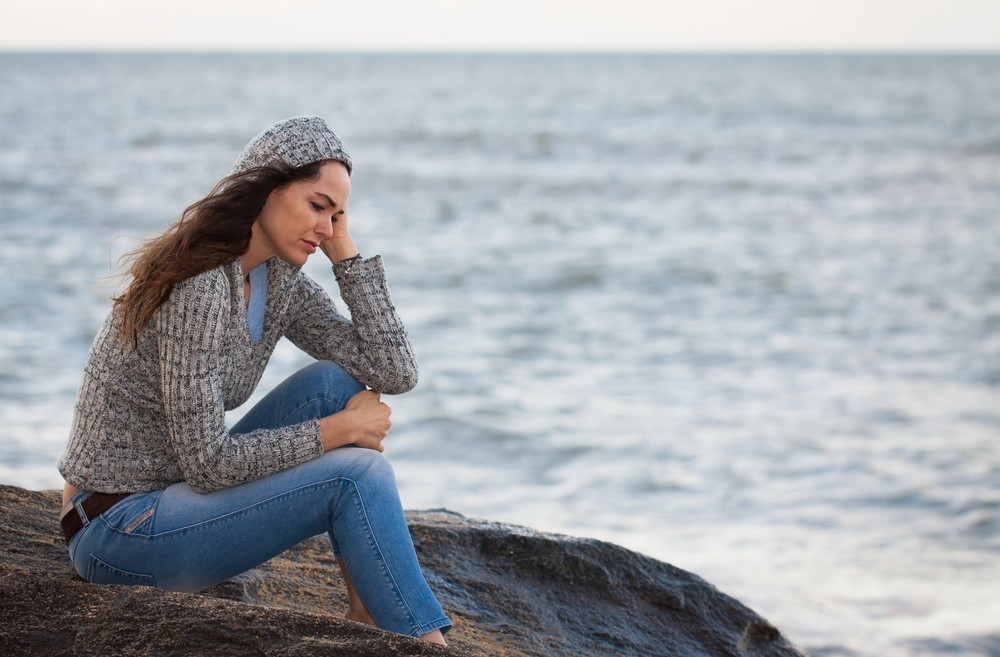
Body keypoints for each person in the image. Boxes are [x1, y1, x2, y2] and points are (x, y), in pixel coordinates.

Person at [58, 116, 451, 645]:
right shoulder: (199, 285)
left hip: (174, 491)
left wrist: (348, 257)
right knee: (357, 475)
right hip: (116, 528)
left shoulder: (275, 278)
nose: (327, 228)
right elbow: (209, 464)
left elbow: (393, 371)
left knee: (335, 384)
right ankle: (426, 644)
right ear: (264, 189)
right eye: (318, 207)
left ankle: (367, 612)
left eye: (338, 215)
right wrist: (339, 433)